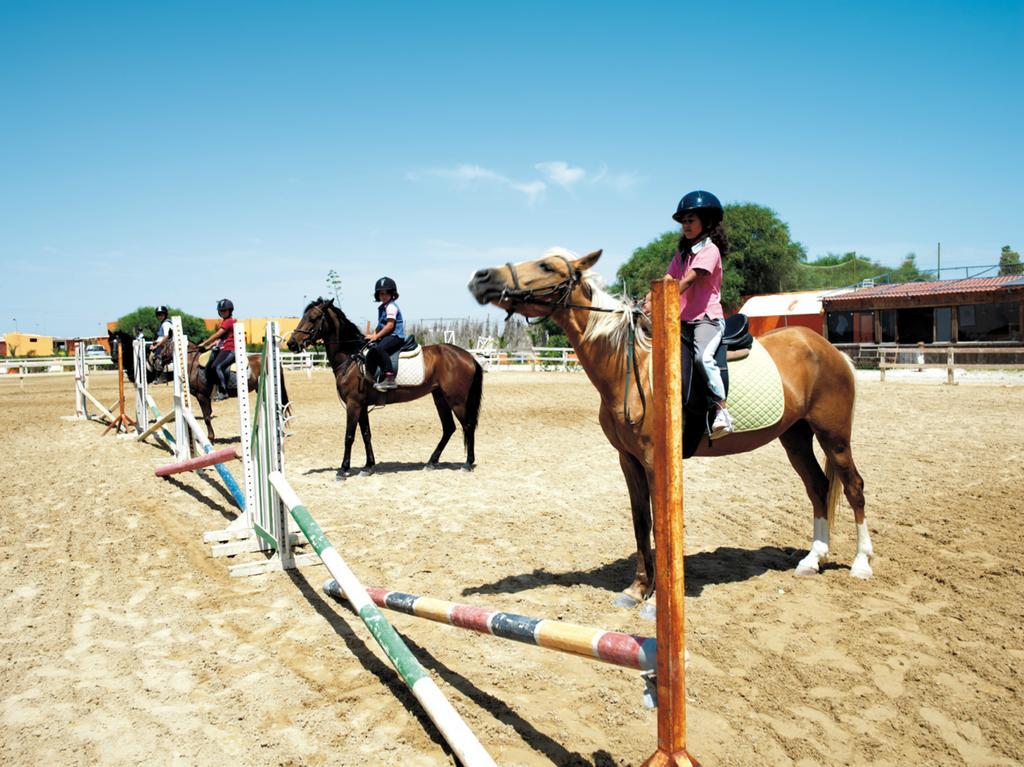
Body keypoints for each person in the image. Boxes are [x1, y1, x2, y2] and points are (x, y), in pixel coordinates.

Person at [646, 190, 734, 438]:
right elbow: (668, 279)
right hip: (682, 320)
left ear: (705, 222)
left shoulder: (710, 251)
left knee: (702, 358)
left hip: (706, 319)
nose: (685, 225)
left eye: (690, 220)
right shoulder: (682, 254)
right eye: (683, 221)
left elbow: (688, 281)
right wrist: (648, 300)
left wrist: (661, 300)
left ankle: (720, 410)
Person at [366, 277, 404, 392]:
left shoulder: (391, 307)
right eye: (381, 293)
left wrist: (376, 337)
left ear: (392, 294)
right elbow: (380, 325)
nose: (383, 296)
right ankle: (371, 376)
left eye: (386, 293)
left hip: (396, 336)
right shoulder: (383, 307)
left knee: (379, 348)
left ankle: (389, 378)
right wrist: (373, 335)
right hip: (388, 336)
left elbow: (389, 326)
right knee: (372, 349)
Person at [199, 299, 237, 400]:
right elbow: (220, 340)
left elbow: (217, 335)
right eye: (221, 311)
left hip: (230, 349)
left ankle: (223, 391)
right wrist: (209, 346)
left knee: (218, 366)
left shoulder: (228, 322)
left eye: (225, 311)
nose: (222, 312)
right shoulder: (225, 321)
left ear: (230, 311)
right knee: (213, 364)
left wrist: (204, 343)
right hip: (224, 348)